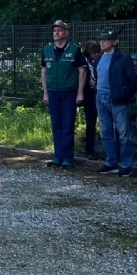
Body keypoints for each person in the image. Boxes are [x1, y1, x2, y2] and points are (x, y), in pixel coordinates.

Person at [41, 20, 87, 169]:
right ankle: (57, 156)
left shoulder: (74, 49)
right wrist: (45, 93)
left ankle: (68, 158)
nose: (56, 33)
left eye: (59, 30)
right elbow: (43, 71)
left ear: (66, 33)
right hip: (53, 92)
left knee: (67, 125)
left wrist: (80, 93)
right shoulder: (47, 49)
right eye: (54, 30)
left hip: (69, 92)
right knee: (56, 125)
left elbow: (82, 70)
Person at [94, 28, 137, 177]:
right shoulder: (99, 58)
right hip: (101, 98)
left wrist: (125, 95)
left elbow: (133, 80)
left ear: (114, 42)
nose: (102, 42)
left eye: (105, 39)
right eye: (101, 39)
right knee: (105, 132)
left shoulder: (123, 57)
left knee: (123, 133)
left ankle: (126, 165)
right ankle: (111, 162)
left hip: (118, 99)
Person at [82, 40, 100, 160]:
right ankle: (89, 150)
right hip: (89, 94)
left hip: (100, 91)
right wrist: (88, 81)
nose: (95, 55)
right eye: (93, 53)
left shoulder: (101, 60)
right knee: (90, 122)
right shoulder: (83, 62)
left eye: (96, 52)